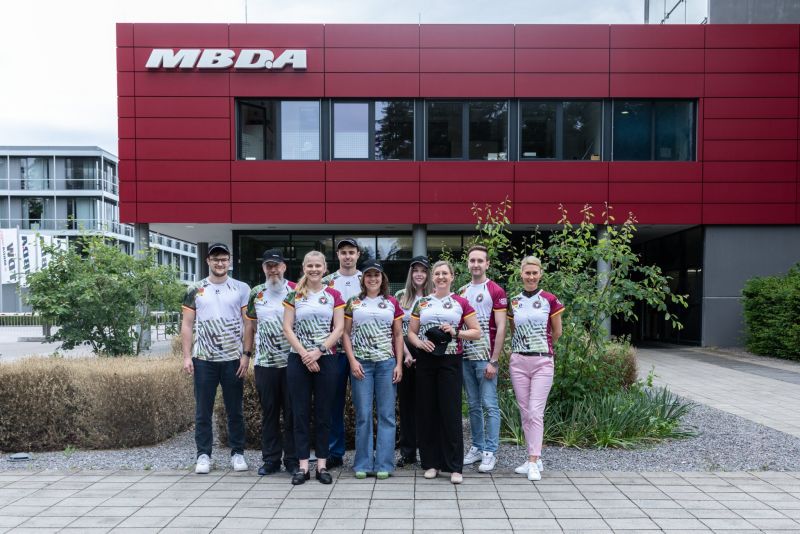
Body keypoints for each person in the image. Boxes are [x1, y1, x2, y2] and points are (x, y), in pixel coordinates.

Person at [407, 260, 481, 484]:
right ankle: (431, 463)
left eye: (444, 274)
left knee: (450, 412)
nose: (440, 277)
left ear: (452, 277)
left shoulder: (461, 302)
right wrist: (420, 344)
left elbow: (476, 332)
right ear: (433, 277)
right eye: (437, 274)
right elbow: (411, 333)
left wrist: (456, 332)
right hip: (426, 360)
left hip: (450, 360)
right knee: (427, 411)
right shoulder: (422, 303)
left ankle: (454, 467)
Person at [181, 243, 251, 475]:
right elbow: (187, 324)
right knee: (203, 411)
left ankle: (237, 453)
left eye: (223, 259)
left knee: (235, 410)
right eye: (215, 259)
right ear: (208, 261)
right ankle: (203, 455)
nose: (220, 263)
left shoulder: (241, 288)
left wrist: (246, 354)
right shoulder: (195, 289)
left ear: (229, 261)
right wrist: (186, 356)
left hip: (233, 358)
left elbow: (248, 323)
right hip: (203, 359)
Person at [282, 250, 345, 485]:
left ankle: (321, 465)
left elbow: (339, 328)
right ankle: (302, 467)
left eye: (318, 266)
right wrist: (305, 355)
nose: (314, 269)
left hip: (326, 359)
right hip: (298, 359)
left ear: (325, 268)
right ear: (304, 268)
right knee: (299, 413)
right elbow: (287, 328)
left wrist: (318, 351)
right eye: (310, 266)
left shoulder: (334, 295)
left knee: (323, 413)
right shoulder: (294, 295)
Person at [343, 260, 404, 480]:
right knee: (363, 415)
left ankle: (384, 464)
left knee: (387, 415)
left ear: (382, 278)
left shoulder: (391, 302)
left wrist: (398, 364)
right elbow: (345, 334)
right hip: (362, 364)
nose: (372, 279)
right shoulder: (353, 302)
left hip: (386, 364)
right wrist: (352, 361)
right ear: (363, 279)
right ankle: (363, 463)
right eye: (368, 275)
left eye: (376, 275)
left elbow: (398, 334)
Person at [507, 256, 564, 481]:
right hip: (519, 362)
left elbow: (557, 332)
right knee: (525, 412)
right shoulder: (514, 301)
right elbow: (514, 330)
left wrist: (541, 347)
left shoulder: (550, 299)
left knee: (535, 411)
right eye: (527, 273)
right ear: (521, 274)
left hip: (542, 362)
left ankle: (533, 461)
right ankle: (534, 457)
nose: (531, 277)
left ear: (540, 274)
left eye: (534, 273)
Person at [245, 249, 298, 476]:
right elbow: (250, 326)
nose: (273, 270)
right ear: (263, 268)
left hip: (293, 363)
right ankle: (270, 460)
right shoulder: (256, 293)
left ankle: (293, 460)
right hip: (265, 363)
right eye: (269, 266)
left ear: (284, 267)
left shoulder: (297, 290)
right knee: (269, 413)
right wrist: (246, 354)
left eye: (276, 266)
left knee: (292, 413)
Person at [458, 245, 507, 473]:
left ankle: (490, 451)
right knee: (473, 405)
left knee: (489, 405)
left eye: (480, 261)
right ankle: (477, 447)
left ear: (487, 264)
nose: (476, 264)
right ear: (468, 264)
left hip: (485, 357)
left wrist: (494, 360)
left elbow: (502, 327)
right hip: (465, 357)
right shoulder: (462, 291)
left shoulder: (495, 290)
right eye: (472, 260)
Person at [322, 237, 363, 469]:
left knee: (363, 404)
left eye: (351, 252)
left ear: (358, 254)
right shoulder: (327, 282)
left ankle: (363, 453)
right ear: (337, 255)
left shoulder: (368, 279)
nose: (347, 256)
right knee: (333, 403)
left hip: (362, 351)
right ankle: (334, 452)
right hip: (334, 352)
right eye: (343, 252)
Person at [394, 255, 433, 468]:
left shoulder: (435, 296)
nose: (419, 274)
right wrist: (406, 354)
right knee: (406, 405)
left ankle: (427, 451)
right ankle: (408, 452)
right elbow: (396, 330)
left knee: (427, 405)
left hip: (429, 356)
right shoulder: (400, 297)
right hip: (405, 356)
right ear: (411, 273)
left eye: (423, 271)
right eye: (416, 270)